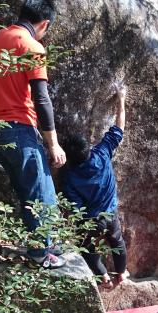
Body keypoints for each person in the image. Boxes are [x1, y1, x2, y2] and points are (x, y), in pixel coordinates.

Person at [0, 0, 67, 269]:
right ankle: (40, 253)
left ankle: (47, 242)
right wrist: (53, 144)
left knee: (34, 187)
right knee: (39, 191)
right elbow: (42, 99)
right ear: (44, 24)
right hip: (20, 128)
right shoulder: (32, 47)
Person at [60, 84, 129, 288]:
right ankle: (121, 273)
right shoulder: (102, 153)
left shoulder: (69, 177)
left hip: (91, 219)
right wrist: (121, 98)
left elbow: (76, 208)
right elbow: (119, 128)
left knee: (87, 247)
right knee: (117, 241)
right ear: (88, 148)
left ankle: (104, 278)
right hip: (110, 212)